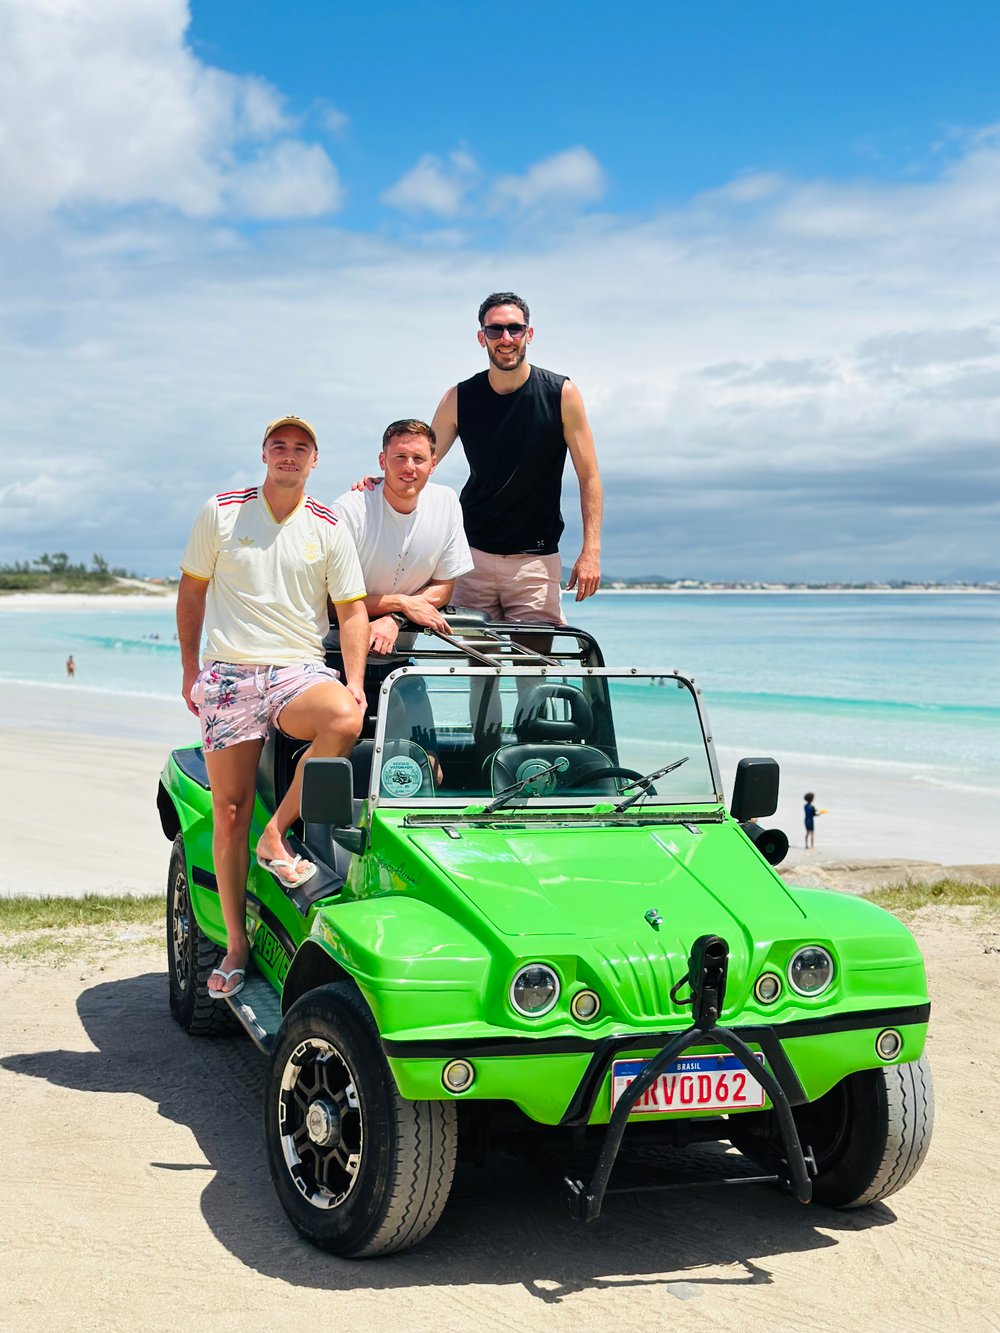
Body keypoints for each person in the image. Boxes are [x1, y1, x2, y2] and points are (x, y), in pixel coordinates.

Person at [177, 415, 368, 998]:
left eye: (300, 448)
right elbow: (192, 591)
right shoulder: (222, 510)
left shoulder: (329, 524)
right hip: (230, 673)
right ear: (264, 453)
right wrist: (191, 670)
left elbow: (352, 609)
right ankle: (235, 945)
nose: (289, 455)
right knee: (230, 813)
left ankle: (276, 837)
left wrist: (354, 680)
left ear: (315, 460)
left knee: (343, 717)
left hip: (296, 670)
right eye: (279, 446)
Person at [356, 292, 602, 627]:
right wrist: (380, 481)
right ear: (481, 337)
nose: (505, 338)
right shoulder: (459, 397)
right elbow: (422, 461)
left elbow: (588, 476)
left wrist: (591, 551)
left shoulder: (561, 394)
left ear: (529, 334)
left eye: (515, 329)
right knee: (477, 671)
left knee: (533, 672)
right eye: (495, 330)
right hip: (470, 556)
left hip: (536, 561)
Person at [329, 419, 474, 780]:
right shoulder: (350, 509)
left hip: (400, 660)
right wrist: (401, 603)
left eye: (418, 458)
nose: (409, 467)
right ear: (382, 461)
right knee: (335, 769)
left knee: (431, 770)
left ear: (434, 463)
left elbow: (444, 588)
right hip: (336, 656)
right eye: (399, 457)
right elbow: (332, 599)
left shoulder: (445, 503)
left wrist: (393, 619)